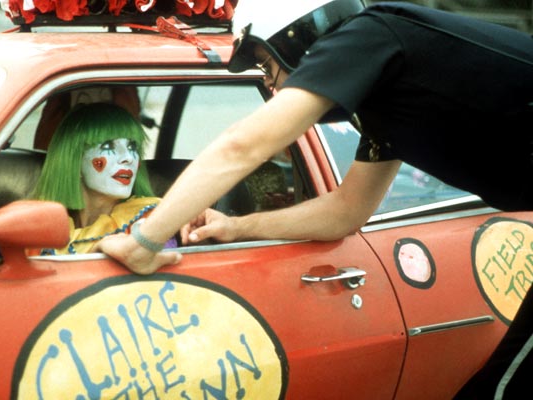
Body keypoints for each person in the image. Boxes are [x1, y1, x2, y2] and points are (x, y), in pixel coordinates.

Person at [91, 0, 532, 397]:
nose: (269, 84)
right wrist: (235, 227)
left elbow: (243, 146)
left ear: (299, 39)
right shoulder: (389, 98)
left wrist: (144, 240)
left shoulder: (371, 34)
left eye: (267, 65)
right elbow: (346, 211)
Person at [32, 102, 176, 255]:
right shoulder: (40, 224)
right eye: (108, 146)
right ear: (75, 161)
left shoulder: (149, 220)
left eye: (132, 147)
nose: (128, 158)